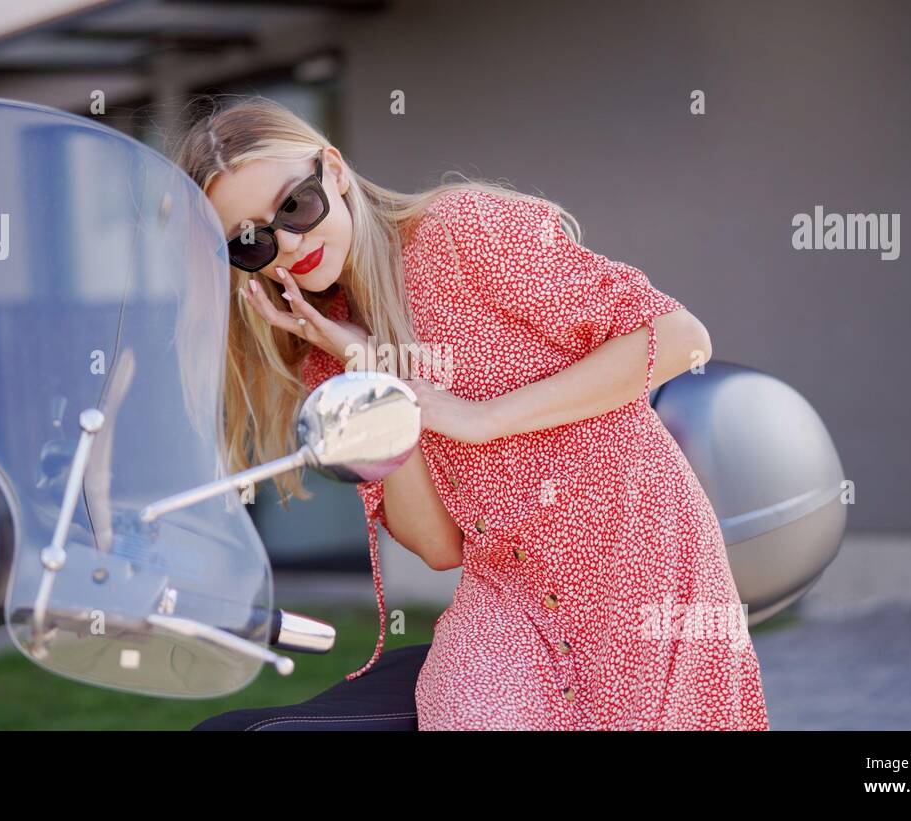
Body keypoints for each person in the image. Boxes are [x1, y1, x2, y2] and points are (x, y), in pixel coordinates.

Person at [173, 95, 769, 730]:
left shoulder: (462, 233)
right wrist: (376, 379)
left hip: (638, 562)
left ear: (336, 170)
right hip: (506, 596)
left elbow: (681, 338)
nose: (288, 243)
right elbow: (436, 546)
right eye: (251, 241)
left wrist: (480, 418)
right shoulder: (329, 349)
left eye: (295, 205)